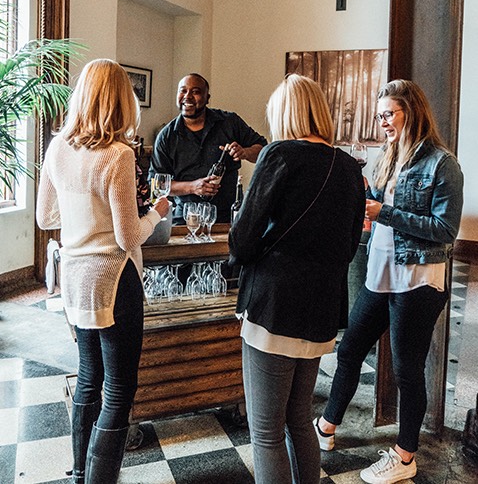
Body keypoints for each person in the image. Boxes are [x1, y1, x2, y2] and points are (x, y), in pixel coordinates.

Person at [316, 79, 464, 484]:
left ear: (410, 112)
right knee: (348, 351)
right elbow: (377, 205)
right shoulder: (387, 155)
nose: (381, 122)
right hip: (380, 273)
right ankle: (326, 427)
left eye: (387, 114)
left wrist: (384, 212)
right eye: (379, 114)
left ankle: (404, 457)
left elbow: (445, 229)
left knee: (407, 371)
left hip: (417, 278)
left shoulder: (442, 164)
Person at [36, 59, 170, 484]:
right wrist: (157, 214)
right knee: (119, 388)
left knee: (89, 377)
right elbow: (129, 237)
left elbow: (44, 217)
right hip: (114, 279)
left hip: (75, 277)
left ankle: (80, 473)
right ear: (120, 101)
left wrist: (81, 218)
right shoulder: (117, 155)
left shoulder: (57, 147)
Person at [228, 74, 366, 484]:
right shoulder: (347, 166)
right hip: (321, 308)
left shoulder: (280, 154)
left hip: (274, 307)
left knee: (266, 433)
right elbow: (349, 243)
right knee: (300, 420)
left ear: (284, 114)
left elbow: (243, 238)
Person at [149, 73, 267, 224]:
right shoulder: (166, 136)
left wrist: (245, 153)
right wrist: (192, 187)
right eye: (183, 91)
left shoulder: (230, 122)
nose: (188, 96)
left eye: (196, 91)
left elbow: (264, 150)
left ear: (207, 97)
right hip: (185, 219)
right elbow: (156, 184)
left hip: (229, 217)